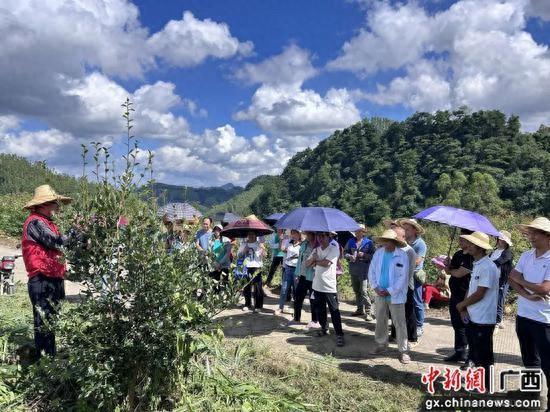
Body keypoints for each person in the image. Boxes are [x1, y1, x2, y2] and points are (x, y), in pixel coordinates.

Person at [22, 185, 72, 358]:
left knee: (51, 322)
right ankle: (44, 365)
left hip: (52, 278)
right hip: (42, 279)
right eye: (55, 203)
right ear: (44, 205)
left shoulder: (49, 223)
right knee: (44, 323)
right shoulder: (35, 222)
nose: (58, 207)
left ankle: (49, 359)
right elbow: (56, 242)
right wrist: (76, 232)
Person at [509, 217, 550, 407]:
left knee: (547, 363)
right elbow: (511, 277)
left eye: (535, 233)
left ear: (547, 236)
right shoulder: (526, 255)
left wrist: (524, 283)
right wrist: (528, 294)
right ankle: (531, 393)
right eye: (530, 232)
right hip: (524, 315)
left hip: (544, 319)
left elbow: (544, 289)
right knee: (528, 357)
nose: (530, 236)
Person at [455, 231, 499, 389]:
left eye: (471, 243)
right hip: (474, 315)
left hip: (483, 318)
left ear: (480, 247)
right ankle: (478, 382)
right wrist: (464, 306)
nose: (467, 245)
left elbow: (480, 293)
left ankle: (486, 386)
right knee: (475, 352)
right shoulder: (478, 264)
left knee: (484, 355)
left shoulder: (487, 266)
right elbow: (472, 289)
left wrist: (461, 305)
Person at [369, 229, 411, 364]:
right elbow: (372, 271)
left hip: (396, 295)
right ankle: (381, 344)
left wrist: (390, 290)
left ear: (394, 242)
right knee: (380, 319)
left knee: (399, 323)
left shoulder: (402, 255)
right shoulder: (378, 253)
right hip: (380, 293)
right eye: (384, 241)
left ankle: (403, 351)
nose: (385, 244)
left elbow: (403, 277)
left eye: (388, 241)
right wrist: (375, 287)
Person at [307, 232, 345, 347]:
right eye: (319, 236)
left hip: (329, 286)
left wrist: (315, 262)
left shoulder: (334, 249)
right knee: (320, 310)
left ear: (329, 237)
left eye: (324, 236)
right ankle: (324, 328)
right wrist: (313, 259)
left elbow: (326, 263)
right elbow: (306, 264)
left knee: (334, 310)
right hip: (317, 285)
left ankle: (339, 334)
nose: (321, 238)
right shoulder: (316, 250)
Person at [444, 229, 474, 363]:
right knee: (457, 324)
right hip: (455, 295)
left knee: (467, 325)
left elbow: (459, 273)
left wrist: (451, 270)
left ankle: (471, 355)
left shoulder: (471, 256)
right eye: (460, 239)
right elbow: (449, 271)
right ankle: (459, 351)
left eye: (463, 239)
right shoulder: (458, 254)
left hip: (466, 295)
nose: (460, 241)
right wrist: (447, 264)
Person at [397, 218, 428, 338]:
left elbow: (417, 261)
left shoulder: (420, 244)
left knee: (416, 300)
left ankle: (420, 325)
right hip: (403, 274)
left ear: (415, 230)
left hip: (414, 275)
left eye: (407, 229)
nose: (405, 230)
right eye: (404, 228)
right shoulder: (404, 242)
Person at [390, 224, 418, 343]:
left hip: (406, 286)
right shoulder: (395, 249)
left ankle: (412, 336)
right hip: (394, 286)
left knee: (408, 312)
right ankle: (395, 334)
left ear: (403, 236)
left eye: (396, 236)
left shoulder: (409, 251)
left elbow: (409, 272)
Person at [344, 224, 375, 320]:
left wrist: (364, 255)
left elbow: (373, 256)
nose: (358, 232)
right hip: (353, 269)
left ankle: (369, 312)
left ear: (363, 232)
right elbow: (345, 253)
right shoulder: (350, 241)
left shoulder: (369, 242)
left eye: (360, 231)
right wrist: (349, 256)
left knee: (364, 291)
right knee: (357, 290)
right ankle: (359, 309)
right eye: (356, 231)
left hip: (364, 270)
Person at [288, 231, 319, 328]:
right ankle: (296, 318)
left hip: (313, 277)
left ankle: (315, 321)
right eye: (307, 234)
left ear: (314, 235)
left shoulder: (318, 245)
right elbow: (300, 260)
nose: (308, 236)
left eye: (310, 234)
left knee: (313, 300)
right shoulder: (304, 244)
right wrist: (297, 274)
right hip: (303, 275)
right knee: (298, 297)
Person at [489, 230, 514, 329]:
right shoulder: (494, 251)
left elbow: (498, 262)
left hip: (502, 280)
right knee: (491, 299)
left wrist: (485, 264)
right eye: (499, 239)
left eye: (502, 240)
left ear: (506, 242)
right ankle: (494, 319)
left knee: (499, 300)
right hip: (492, 279)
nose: (500, 241)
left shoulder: (508, 253)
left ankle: (498, 321)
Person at [238, 231, 266, 312]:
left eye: (253, 234)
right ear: (247, 235)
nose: (251, 236)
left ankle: (258, 306)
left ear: (256, 235)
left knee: (258, 287)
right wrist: (244, 251)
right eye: (249, 234)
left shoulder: (259, 244)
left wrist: (263, 248)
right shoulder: (243, 244)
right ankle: (247, 304)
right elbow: (239, 256)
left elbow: (264, 255)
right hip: (246, 267)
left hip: (257, 267)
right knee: (246, 287)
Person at [276, 229, 301, 315]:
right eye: (292, 233)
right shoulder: (289, 243)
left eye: (295, 233)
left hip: (297, 270)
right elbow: (282, 249)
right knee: (284, 289)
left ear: (299, 234)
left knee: (296, 291)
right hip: (287, 268)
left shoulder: (302, 245)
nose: (293, 235)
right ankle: (280, 307)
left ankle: (296, 310)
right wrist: (281, 239)